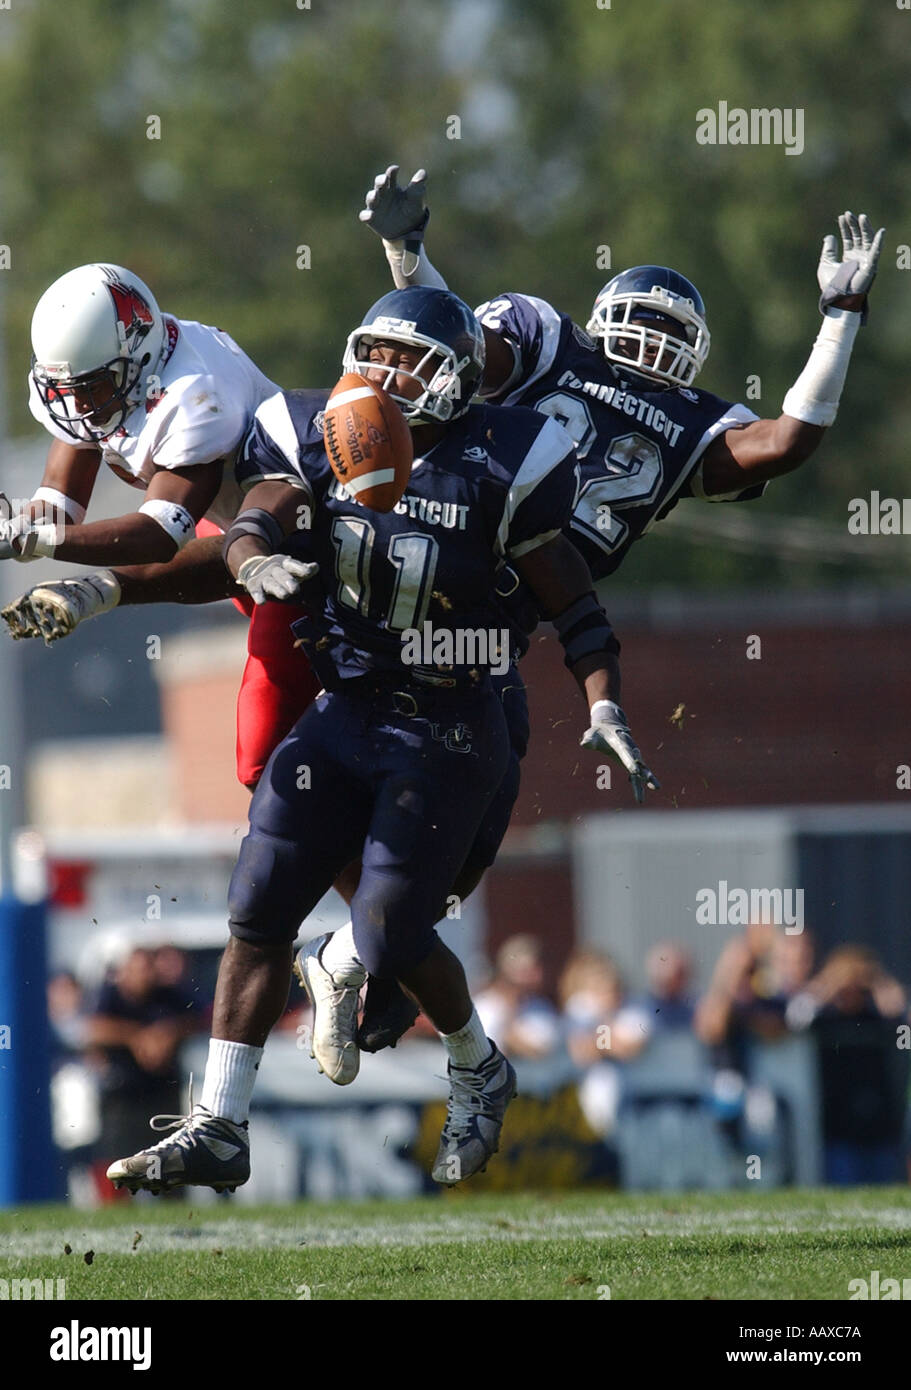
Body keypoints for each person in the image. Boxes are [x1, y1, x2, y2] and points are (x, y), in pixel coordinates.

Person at [105, 285, 656, 1194]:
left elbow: (574, 603)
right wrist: (252, 556)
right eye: (378, 352)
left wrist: (602, 703)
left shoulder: (508, 460)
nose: (387, 375)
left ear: (458, 380)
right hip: (348, 705)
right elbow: (255, 518)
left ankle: (477, 1066)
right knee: (259, 900)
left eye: (412, 359)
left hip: (452, 716)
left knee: (391, 930)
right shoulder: (310, 426)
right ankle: (220, 1123)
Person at [343, 169, 884, 1053]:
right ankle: (363, 944)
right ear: (605, 316)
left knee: (481, 811)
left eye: (673, 331)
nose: (655, 341)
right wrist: (409, 257)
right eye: (646, 321)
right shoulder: (552, 343)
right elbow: (449, 351)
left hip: (514, 620)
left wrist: (838, 317)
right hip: (449, 558)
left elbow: (785, 441)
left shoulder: (695, 422)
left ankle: (383, 949)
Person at [0, 261, 321, 789]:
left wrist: (39, 540)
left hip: (295, 556)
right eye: (67, 388)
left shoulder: (196, 394)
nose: (78, 405)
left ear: (137, 356)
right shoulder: (102, 375)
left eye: (92, 387)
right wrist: (20, 523)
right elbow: (57, 509)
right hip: (230, 539)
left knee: (264, 764)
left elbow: (161, 533)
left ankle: (381, 870)